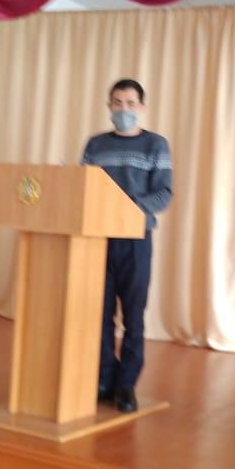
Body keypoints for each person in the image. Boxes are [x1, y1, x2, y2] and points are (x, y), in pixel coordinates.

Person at [81, 79, 173, 413]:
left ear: (142, 108)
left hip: (136, 240)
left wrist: (127, 206)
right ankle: (104, 378)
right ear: (109, 106)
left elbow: (163, 194)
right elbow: (83, 187)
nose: (124, 109)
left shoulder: (155, 145)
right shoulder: (95, 145)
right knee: (100, 314)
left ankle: (127, 385)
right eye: (117, 103)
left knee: (134, 315)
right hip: (97, 240)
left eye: (131, 103)